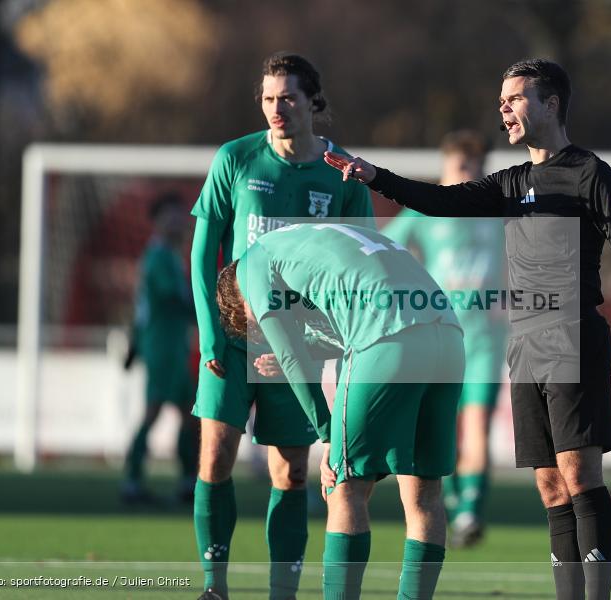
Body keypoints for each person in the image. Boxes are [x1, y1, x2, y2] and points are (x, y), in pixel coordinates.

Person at [324, 58, 611, 600]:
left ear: (550, 104)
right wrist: (374, 175)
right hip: (524, 342)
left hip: (572, 333)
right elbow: (441, 202)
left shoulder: (590, 174)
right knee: (548, 486)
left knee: (578, 475)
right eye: (501, 99)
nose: (503, 107)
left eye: (515, 97)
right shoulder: (512, 182)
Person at [190, 53, 374, 600]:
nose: (277, 109)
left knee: (291, 474)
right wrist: (209, 332)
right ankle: (214, 586)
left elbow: (356, 271)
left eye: (288, 98)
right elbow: (205, 254)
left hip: (299, 347)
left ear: (312, 102)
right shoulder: (236, 159)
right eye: (269, 98)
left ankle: (281, 594)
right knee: (216, 457)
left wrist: (314, 344)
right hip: (231, 338)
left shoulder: (342, 173)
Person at [217, 223, 465, 600]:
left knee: (344, 486)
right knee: (425, 494)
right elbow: (343, 323)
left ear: (240, 301)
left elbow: (291, 353)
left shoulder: (253, 264)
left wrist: (329, 433)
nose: (261, 332)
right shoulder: (310, 238)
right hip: (447, 334)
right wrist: (304, 350)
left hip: (387, 337)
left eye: (253, 326)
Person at [381, 130, 507, 548]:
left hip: (485, 340)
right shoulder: (423, 213)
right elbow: (386, 252)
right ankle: (452, 503)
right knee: (441, 431)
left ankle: (470, 512)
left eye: (476, 170)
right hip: (440, 338)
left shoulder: (497, 211)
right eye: (461, 169)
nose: (468, 178)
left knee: (478, 428)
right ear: (445, 169)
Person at [122, 192, 198, 505]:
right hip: (162, 346)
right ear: (157, 222)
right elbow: (173, 300)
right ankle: (131, 481)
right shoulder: (159, 257)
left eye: (181, 215)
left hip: (171, 344)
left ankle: (187, 481)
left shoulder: (168, 256)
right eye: (172, 216)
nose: (179, 221)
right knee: (155, 412)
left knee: (188, 412)